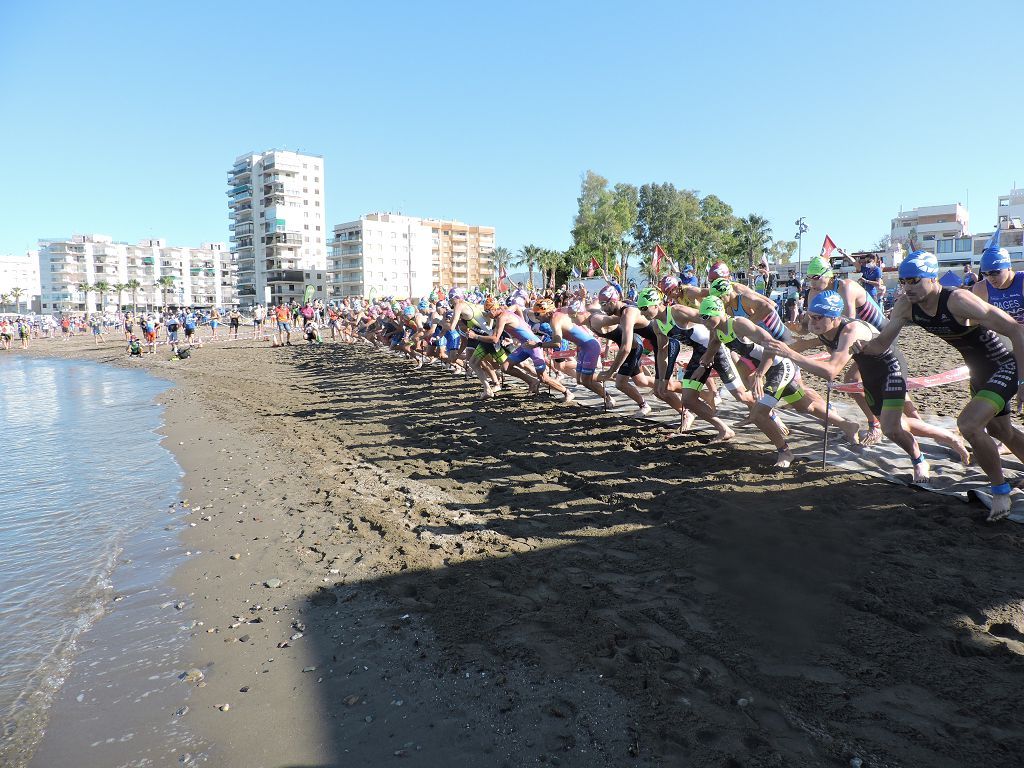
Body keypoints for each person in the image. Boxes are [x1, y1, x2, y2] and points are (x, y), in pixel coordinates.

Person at [853, 250, 1024, 521]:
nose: (907, 287)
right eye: (904, 281)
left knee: (969, 425)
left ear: (932, 279)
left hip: (1005, 363)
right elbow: (882, 343)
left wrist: (1023, 379)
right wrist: (862, 346)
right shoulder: (905, 305)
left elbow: (1016, 329)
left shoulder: (958, 299)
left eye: (915, 281)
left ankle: (1000, 491)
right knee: (1001, 430)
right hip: (979, 371)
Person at [769, 290, 968, 483]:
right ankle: (949, 437)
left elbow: (831, 371)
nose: (813, 321)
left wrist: (790, 354)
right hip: (869, 371)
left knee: (890, 428)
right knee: (898, 425)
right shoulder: (821, 325)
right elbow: (806, 341)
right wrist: (768, 346)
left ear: (835, 317)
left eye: (819, 317)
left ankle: (919, 461)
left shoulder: (850, 330)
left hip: (890, 367)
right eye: (811, 316)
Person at [971, 230, 1024, 323]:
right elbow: (976, 323)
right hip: (1001, 334)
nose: (990, 278)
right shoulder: (981, 288)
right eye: (985, 274)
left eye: (995, 272)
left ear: (1008, 267)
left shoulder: (1022, 281)